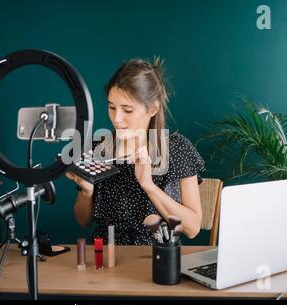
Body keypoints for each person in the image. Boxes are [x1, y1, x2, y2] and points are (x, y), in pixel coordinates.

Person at [65, 58, 205, 245]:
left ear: (153, 109)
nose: (117, 118)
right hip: (105, 256)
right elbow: (83, 221)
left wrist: (149, 186)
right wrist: (86, 191)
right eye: (111, 107)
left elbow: (192, 228)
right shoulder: (97, 148)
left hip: (158, 258)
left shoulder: (177, 149)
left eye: (127, 110)